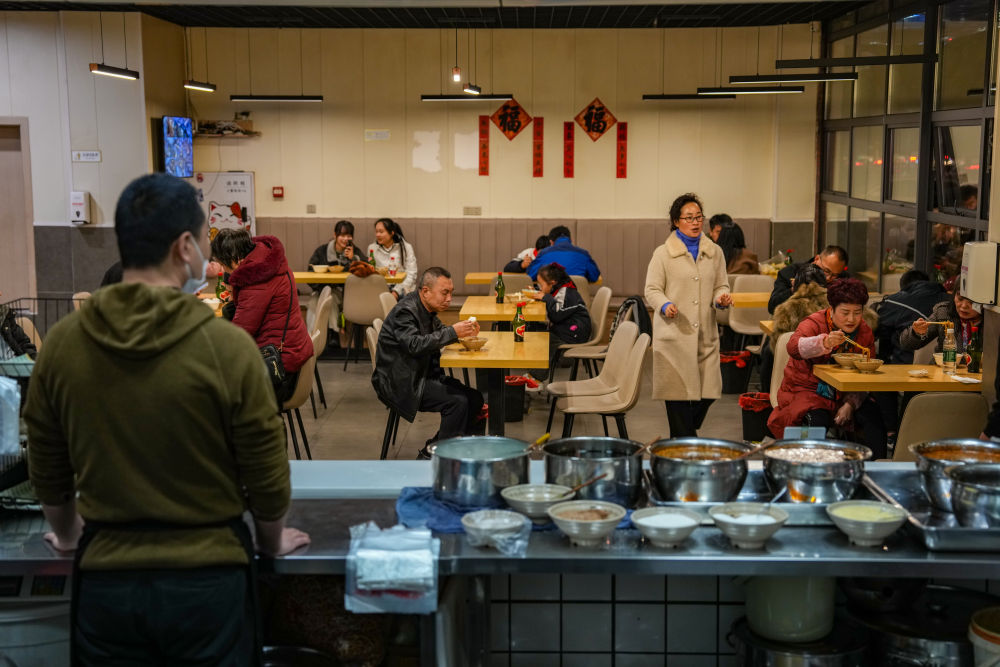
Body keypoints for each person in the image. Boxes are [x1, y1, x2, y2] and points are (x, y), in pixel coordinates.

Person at [23, 172, 309, 666]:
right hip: (209, 581)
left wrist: (68, 535)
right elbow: (265, 467)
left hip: (106, 582)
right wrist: (271, 538)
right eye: (202, 240)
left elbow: (46, 461)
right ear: (183, 247)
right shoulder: (228, 349)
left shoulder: (65, 344)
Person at [644, 193, 732, 437]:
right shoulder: (662, 254)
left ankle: (683, 437)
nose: (695, 223)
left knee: (709, 392)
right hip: (674, 336)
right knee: (677, 396)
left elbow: (721, 285)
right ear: (676, 221)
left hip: (705, 334)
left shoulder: (715, 252)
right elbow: (652, 289)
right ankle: (684, 443)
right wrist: (664, 304)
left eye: (699, 217)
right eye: (689, 218)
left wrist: (721, 298)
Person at [372, 267, 484, 460]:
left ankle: (456, 451)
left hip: (420, 374)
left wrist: (463, 332)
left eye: (451, 293)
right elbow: (414, 345)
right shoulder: (405, 311)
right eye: (444, 293)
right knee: (458, 402)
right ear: (425, 291)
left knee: (475, 398)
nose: (449, 299)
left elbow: (439, 331)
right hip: (402, 382)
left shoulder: (427, 309)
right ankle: (435, 457)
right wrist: (453, 332)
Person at [767, 278, 886, 457]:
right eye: (845, 312)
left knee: (873, 415)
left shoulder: (864, 331)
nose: (851, 319)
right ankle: (814, 465)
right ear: (832, 309)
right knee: (817, 419)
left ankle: (874, 467)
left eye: (857, 313)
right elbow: (793, 347)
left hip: (845, 392)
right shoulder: (814, 323)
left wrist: (850, 404)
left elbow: (865, 375)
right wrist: (824, 342)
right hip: (806, 390)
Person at [212, 229, 313, 404]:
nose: (223, 269)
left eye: (222, 263)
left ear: (235, 259)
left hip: (278, 370)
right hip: (291, 355)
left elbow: (240, 335)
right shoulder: (268, 261)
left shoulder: (256, 279)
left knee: (213, 389)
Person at [873, 270, 947, 364]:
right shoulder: (949, 302)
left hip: (903, 364)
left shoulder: (895, 301)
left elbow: (881, 333)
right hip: (940, 363)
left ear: (903, 287)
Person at [534, 262, 592, 381]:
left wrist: (546, 297)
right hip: (568, 327)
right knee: (536, 330)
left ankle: (535, 379)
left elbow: (557, 315)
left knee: (544, 340)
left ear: (552, 283)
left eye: (541, 285)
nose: (540, 288)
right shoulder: (559, 290)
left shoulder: (567, 292)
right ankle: (534, 373)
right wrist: (543, 295)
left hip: (576, 332)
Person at [307, 220, 364, 337]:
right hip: (321, 291)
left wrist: (353, 259)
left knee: (330, 299)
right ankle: (313, 338)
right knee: (315, 302)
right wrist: (323, 287)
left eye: (349, 235)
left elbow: (366, 269)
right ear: (335, 235)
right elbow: (310, 272)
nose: (345, 239)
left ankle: (329, 336)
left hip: (347, 295)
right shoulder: (322, 251)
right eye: (342, 235)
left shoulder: (354, 251)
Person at [899, 284, 983, 357]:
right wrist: (916, 332)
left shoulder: (989, 320)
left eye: (972, 302)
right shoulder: (944, 312)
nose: (964, 306)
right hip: (944, 367)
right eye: (960, 299)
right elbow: (906, 344)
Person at [768, 245, 849, 314]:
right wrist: (793, 290)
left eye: (834, 275)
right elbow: (772, 308)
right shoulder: (791, 272)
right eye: (826, 271)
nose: (828, 278)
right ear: (817, 259)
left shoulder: (843, 279)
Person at [526, 225, 601, 283]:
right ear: (570, 240)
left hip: (551, 298)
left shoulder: (544, 253)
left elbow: (530, 275)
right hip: (579, 297)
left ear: (551, 242)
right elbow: (594, 277)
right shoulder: (584, 254)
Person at [368, 218, 418, 299]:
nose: (377, 235)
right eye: (376, 231)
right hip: (381, 287)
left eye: (381, 232)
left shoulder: (406, 247)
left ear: (391, 233)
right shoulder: (372, 248)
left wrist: (396, 292)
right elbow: (372, 271)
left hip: (403, 288)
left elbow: (411, 273)